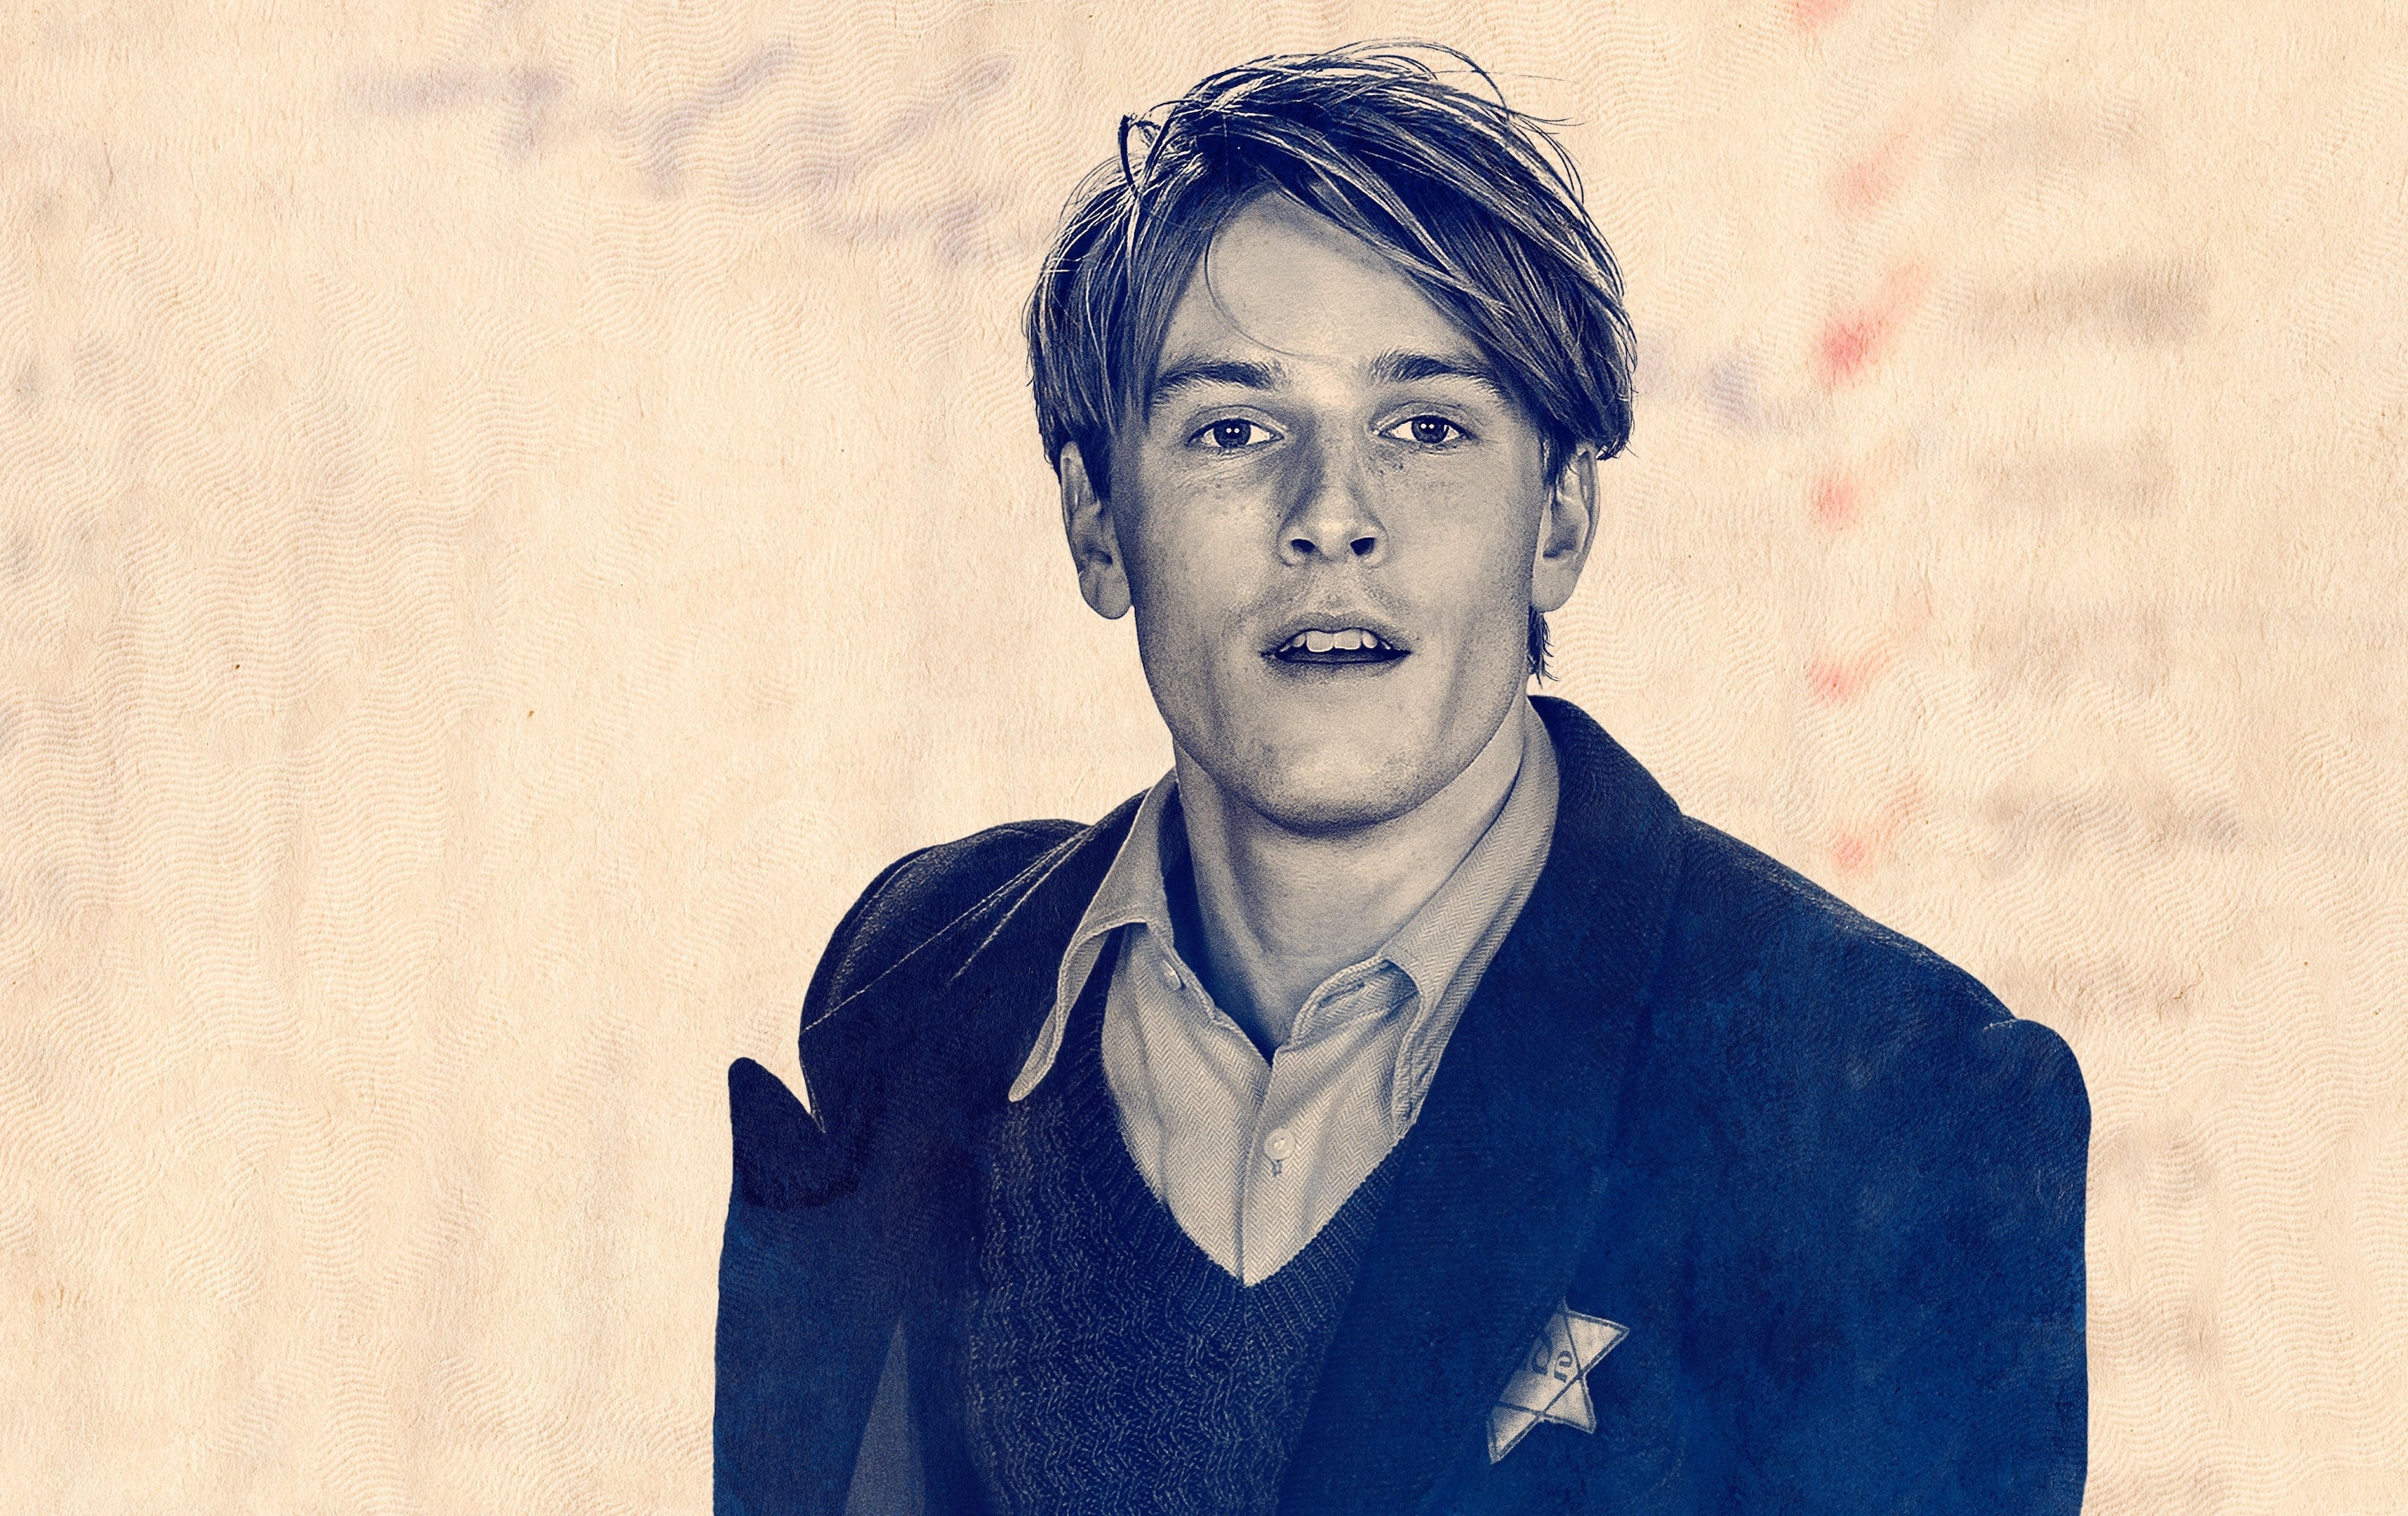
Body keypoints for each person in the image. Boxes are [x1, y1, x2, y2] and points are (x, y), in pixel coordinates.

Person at [715, 44, 2087, 1516]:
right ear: (1096, 522)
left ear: (1559, 520)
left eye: (1425, 427)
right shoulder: (922, 982)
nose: (1329, 517)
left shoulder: (1889, 1103)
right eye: (1233, 430)